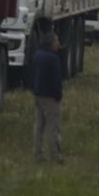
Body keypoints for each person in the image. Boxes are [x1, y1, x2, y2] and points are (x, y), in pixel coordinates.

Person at [32, 32, 64, 163]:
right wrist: (58, 94)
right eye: (57, 41)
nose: (58, 44)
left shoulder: (37, 55)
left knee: (39, 126)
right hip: (50, 96)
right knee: (52, 126)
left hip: (38, 94)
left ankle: (37, 153)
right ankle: (54, 155)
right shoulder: (53, 58)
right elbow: (56, 79)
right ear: (51, 43)